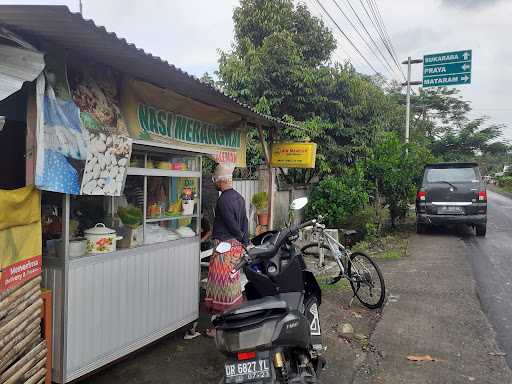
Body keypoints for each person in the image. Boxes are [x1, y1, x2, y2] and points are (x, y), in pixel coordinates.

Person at [204, 163, 249, 337]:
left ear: (220, 181)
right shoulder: (239, 197)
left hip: (225, 250)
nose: (214, 183)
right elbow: (244, 223)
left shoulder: (223, 200)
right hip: (236, 249)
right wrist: (244, 242)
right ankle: (232, 324)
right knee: (232, 288)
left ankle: (218, 329)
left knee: (219, 289)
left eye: (215, 180)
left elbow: (233, 225)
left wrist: (238, 238)